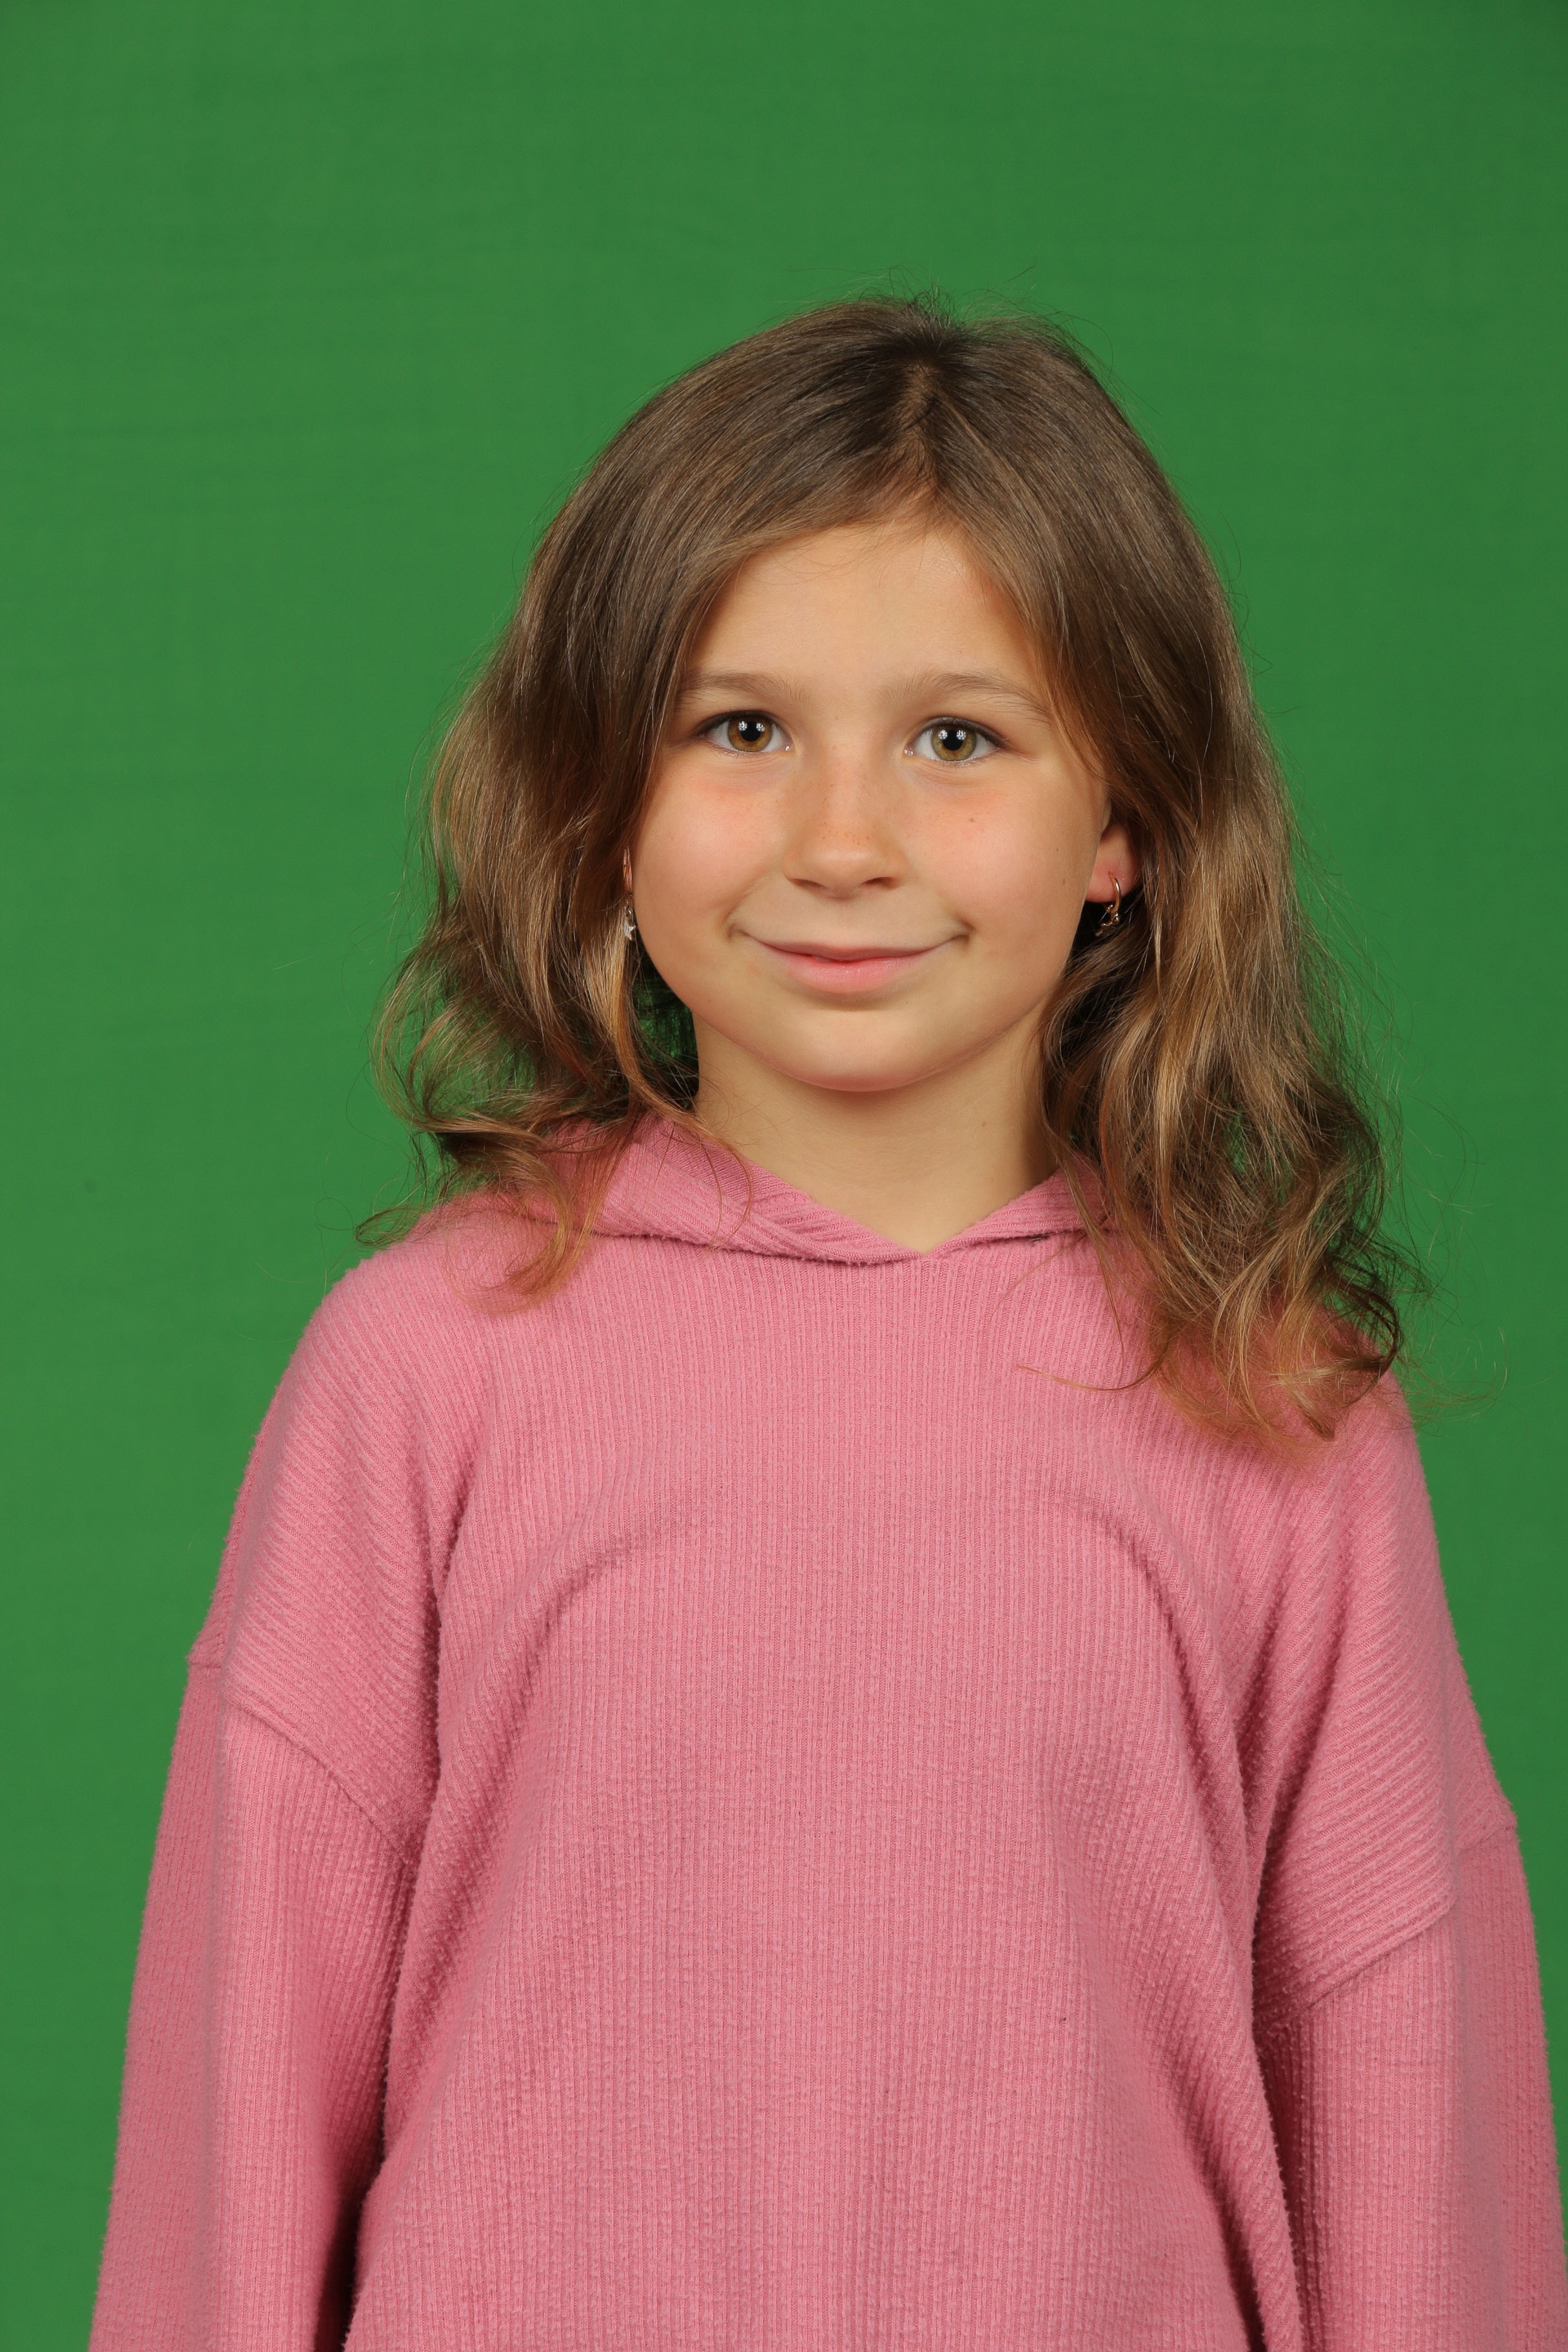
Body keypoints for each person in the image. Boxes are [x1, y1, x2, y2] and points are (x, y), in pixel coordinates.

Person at [90, 297, 1566, 2350]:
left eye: (958, 738)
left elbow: (1408, 2133)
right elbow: (238, 2127)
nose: (843, 843)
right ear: (606, 805)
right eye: (740, 730)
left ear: (1123, 825)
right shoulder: (423, 1375)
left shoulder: (1275, 1410)